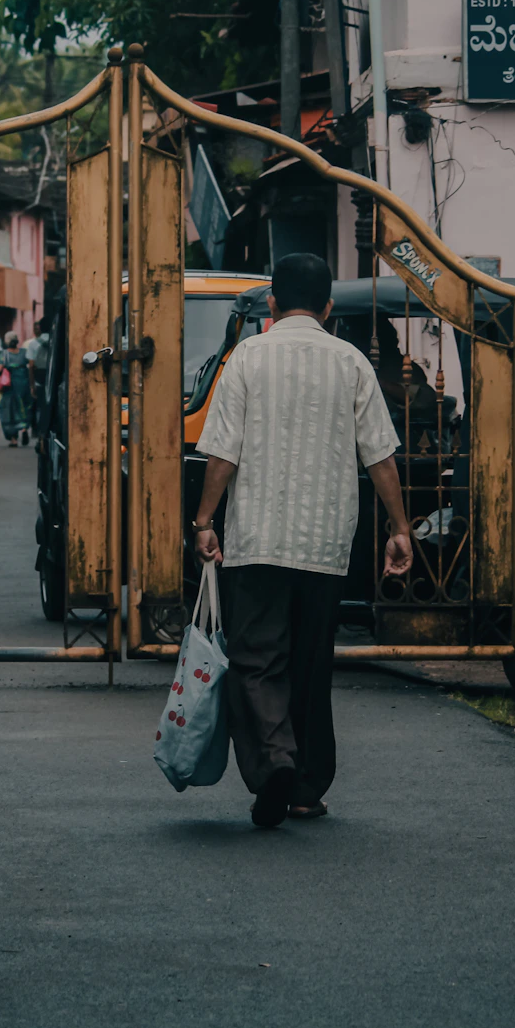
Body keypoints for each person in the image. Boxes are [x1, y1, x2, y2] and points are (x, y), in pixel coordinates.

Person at [192, 253, 414, 828]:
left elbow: (222, 452)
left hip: (257, 539)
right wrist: (399, 528)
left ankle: (273, 764)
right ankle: (306, 789)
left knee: (258, 660)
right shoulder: (351, 363)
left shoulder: (247, 357)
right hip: (324, 544)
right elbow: (381, 456)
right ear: (328, 307)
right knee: (313, 664)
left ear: (271, 304)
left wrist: (205, 521)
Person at [0, 333, 31, 446]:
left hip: (10, 386)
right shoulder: (24, 352)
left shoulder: (4, 354)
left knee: (9, 411)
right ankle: (24, 429)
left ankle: (14, 439)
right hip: (23, 384)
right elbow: (30, 365)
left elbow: (0, 368)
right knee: (23, 408)